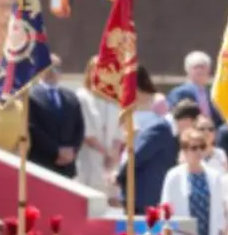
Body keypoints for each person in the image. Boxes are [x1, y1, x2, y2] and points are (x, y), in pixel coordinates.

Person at [160, 127, 226, 235]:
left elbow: (220, 212)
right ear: (184, 150)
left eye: (202, 147)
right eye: (194, 148)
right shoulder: (174, 176)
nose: (198, 152)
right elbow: (165, 211)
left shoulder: (214, 176)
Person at [124, 98, 199, 212]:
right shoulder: (161, 129)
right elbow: (137, 156)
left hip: (154, 201)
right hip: (142, 200)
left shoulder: (170, 133)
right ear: (188, 120)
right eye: (194, 124)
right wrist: (121, 180)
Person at [27, 55, 85, 179]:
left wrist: (72, 150)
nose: (53, 72)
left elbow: (79, 127)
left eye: (57, 68)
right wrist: (56, 151)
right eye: (50, 67)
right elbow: (33, 128)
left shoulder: (71, 97)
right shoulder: (31, 96)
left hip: (67, 167)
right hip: (42, 163)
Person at [75, 56, 123, 192]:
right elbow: (87, 134)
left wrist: (114, 155)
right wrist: (106, 153)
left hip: (111, 163)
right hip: (89, 159)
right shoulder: (82, 97)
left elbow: (119, 133)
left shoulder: (114, 100)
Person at [166, 50, 225, 128]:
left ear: (208, 70)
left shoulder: (211, 94)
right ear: (188, 70)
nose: (199, 70)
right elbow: (175, 115)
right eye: (196, 67)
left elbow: (218, 119)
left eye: (202, 67)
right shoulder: (179, 93)